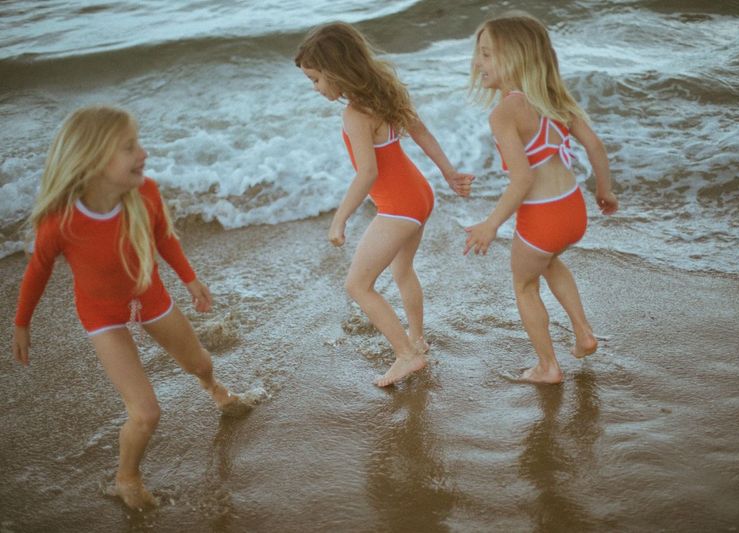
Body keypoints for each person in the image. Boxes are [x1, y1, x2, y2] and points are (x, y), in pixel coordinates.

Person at [10, 106, 251, 509]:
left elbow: (164, 238)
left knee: (200, 363)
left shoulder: (145, 192)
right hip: (102, 316)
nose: (143, 153)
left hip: (150, 297)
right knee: (146, 413)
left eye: (137, 143)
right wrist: (22, 322)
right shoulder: (60, 221)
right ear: (93, 160)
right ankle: (127, 478)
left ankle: (214, 389)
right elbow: (38, 270)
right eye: (129, 147)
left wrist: (189, 278)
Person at [295, 22, 474, 387]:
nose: (315, 88)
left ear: (335, 71)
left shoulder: (355, 113)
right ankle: (417, 339)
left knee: (357, 286)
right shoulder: (384, 92)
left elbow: (368, 173)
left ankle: (407, 355)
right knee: (402, 270)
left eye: (315, 79)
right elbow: (420, 131)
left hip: (399, 206)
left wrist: (339, 219)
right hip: (419, 195)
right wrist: (449, 172)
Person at [464, 12, 619, 384]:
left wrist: (490, 224)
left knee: (524, 285)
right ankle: (583, 334)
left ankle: (548, 367)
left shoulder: (505, 112)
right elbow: (595, 146)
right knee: (549, 263)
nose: (478, 63)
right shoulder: (554, 97)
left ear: (515, 58)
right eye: (479, 53)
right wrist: (605, 190)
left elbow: (522, 179)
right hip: (573, 210)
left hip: (541, 219)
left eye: (487, 54)